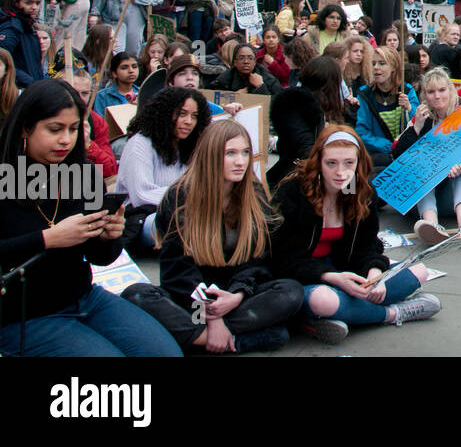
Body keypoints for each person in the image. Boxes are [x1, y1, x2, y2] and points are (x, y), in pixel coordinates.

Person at [0, 80, 181, 356]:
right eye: (55, 129)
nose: (66, 140)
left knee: (165, 353)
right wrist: (47, 239)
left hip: (84, 297)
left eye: (74, 129)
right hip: (23, 315)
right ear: (25, 127)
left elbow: (101, 257)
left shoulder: (83, 174)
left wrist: (110, 235)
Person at [122, 120, 304, 353]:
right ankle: (221, 340)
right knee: (136, 294)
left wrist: (237, 295)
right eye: (230, 153)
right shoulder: (180, 197)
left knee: (291, 291)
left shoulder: (253, 194)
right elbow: (177, 272)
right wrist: (212, 318)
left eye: (245, 152)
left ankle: (201, 341)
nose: (240, 161)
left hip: (233, 298)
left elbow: (259, 260)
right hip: (192, 301)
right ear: (211, 155)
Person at [273, 126, 441, 343]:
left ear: (359, 163)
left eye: (348, 163)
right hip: (305, 276)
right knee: (324, 300)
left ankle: (334, 315)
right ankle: (392, 314)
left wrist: (374, 274)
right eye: (331, 163)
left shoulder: (357, 190)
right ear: (319, 161)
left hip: (347, 270)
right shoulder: (295, 191)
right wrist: (331, 277)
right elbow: (280, 258)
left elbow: (369, 244)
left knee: (419, 272)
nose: (340, 172)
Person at [403, 68, 461, 245]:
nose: (437, 96)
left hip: (456, 194)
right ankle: (432, 226)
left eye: (442, 90)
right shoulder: (420, 120)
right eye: (431, 92)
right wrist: (416, 129)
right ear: (425, 96)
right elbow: (400, 157)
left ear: (450, 91)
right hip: (426, 197)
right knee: (422, 173)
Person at [116, 86, 211, 250]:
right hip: (142, 218)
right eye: (182, 114)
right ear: (165, 113)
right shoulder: (139, 144)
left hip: (181, 209)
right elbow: (141, 196)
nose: (189, 121)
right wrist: (189, 196)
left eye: (194, 116)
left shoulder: (187, 146)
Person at [269, 55, 350, 188]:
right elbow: (304, 148)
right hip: (299, 174)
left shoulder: (315, 104)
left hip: (316, 168)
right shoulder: (294, 103)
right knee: (357, 187)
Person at [354, 46, 419, 169]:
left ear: (393, 67)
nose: (376, 67)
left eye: (382, 63)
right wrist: (390, 146)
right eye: (373, 63)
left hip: (407, 158)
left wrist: (409, 108)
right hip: (378, 160)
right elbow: (362, 133)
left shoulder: (407, 91)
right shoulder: (365, 95)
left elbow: (420, 123)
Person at [0, 0, 43, 87]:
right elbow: (3, 61)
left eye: (37, 3)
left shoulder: (27, 24)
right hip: (17, 88)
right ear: (16, 2)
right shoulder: (11, 28)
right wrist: (30, 82)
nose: (34, 7)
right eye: (28, 3)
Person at [212, 42, 282, 96]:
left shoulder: (269, 79)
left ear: (255, 62)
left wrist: (260, 87)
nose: (246, 62)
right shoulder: (223, 80)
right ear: (235, 62)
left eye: (250, 58)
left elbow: (275, 105)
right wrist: (233, 97)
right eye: (241, 58)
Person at [92, 50, 139, 120]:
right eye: (124, 68)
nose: (131, 71)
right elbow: (100, 122)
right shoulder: (103, 96)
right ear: (114, 73)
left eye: (134, 67)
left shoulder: (142, 93)